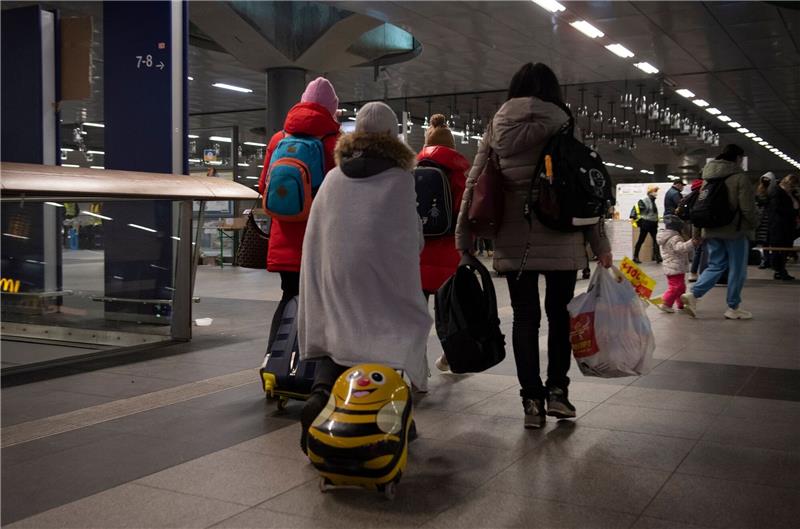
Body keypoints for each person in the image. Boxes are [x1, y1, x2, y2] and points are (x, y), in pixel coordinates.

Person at [455, 62, 612, 430]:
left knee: (525, 319)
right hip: (562, 237)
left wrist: (464, 239)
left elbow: (473, 184)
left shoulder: (496, 128)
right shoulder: (562, 122)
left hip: (514, 241)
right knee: (559, 317)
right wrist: (599, 243)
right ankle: (557, 392)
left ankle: (531, 402)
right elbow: (584, 189)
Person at [297, 101, 432, 451]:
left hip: (336, 273)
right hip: (380, 275)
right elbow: (409, 239)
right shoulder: (399, 179)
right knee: (393, 332)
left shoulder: (333, 177)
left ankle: (321, 392)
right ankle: (395, 416)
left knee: (339, 329)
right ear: (391, 135)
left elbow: (317, 234)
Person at [258, 77, 341, 349]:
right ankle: (312, 366)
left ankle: (274, 361)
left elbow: (263, 186)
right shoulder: (335, 143)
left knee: (288, 296)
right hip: (321, 239)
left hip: (284, 237)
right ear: (331, 109)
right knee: (321, 302)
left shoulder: (278, 139)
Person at [415, 114, 470, 373]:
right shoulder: (460, 174)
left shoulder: (413, 171)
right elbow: (464, 212)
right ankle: (451, 358)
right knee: (449, 313)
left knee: (416, 314)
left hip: (418, 252)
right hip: (449, 252)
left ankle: (417, 364)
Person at [681, 144, 757, 320]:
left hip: (711, 230)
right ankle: (733, 307)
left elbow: (700, 207)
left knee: (716, 265)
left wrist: (697, 233)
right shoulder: (740, 178)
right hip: (735, 231)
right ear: (738, 158)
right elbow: (747, 208)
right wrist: (753, 224)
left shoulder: (708, 178)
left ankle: (694, 295)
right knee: (737, 269)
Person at [656, 215, 699, 313]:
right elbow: (680, 248)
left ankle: (681, 304)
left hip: (673, 266)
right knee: (675, 287)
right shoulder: (675, 237)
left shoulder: (666, 236)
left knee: (681, 287)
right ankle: (666, 303)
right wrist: (691, 243)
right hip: (674, 266)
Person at [768, 173, 799, 281]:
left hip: (788, 226)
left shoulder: (790, 193)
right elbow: (777, 209)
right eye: (792, 185)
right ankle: (779, 270)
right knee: (778, 249)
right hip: (778, 226)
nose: (793, 188)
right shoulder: (777, 192)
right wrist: (793, 211)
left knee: (785, 249)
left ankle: (780, 270)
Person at [631, 185, 662, 264]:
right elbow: (636, 210)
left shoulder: (653, 201)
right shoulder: (644, 200)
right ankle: (635, 256)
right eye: (654, 191)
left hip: (653, 223)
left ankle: (658, 256)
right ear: (650, 192)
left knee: (656, 240)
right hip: (646, 223)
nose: (656, 193)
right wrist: (639, 221)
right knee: (641, 240)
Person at [755, 172, 776, 269]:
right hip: (763, 220)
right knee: (764, 243)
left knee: (772, 242)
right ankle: (765, 260)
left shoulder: (775, 192)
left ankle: (771, 261)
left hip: (771, 219)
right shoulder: (760, 191)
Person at [687, 178, 704, 282]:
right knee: (701, 250)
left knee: (698, 250)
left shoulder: (692, 197)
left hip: (695, 226)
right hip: (701, 227)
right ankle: (700, 274)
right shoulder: (700, 197)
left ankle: (693, 273)